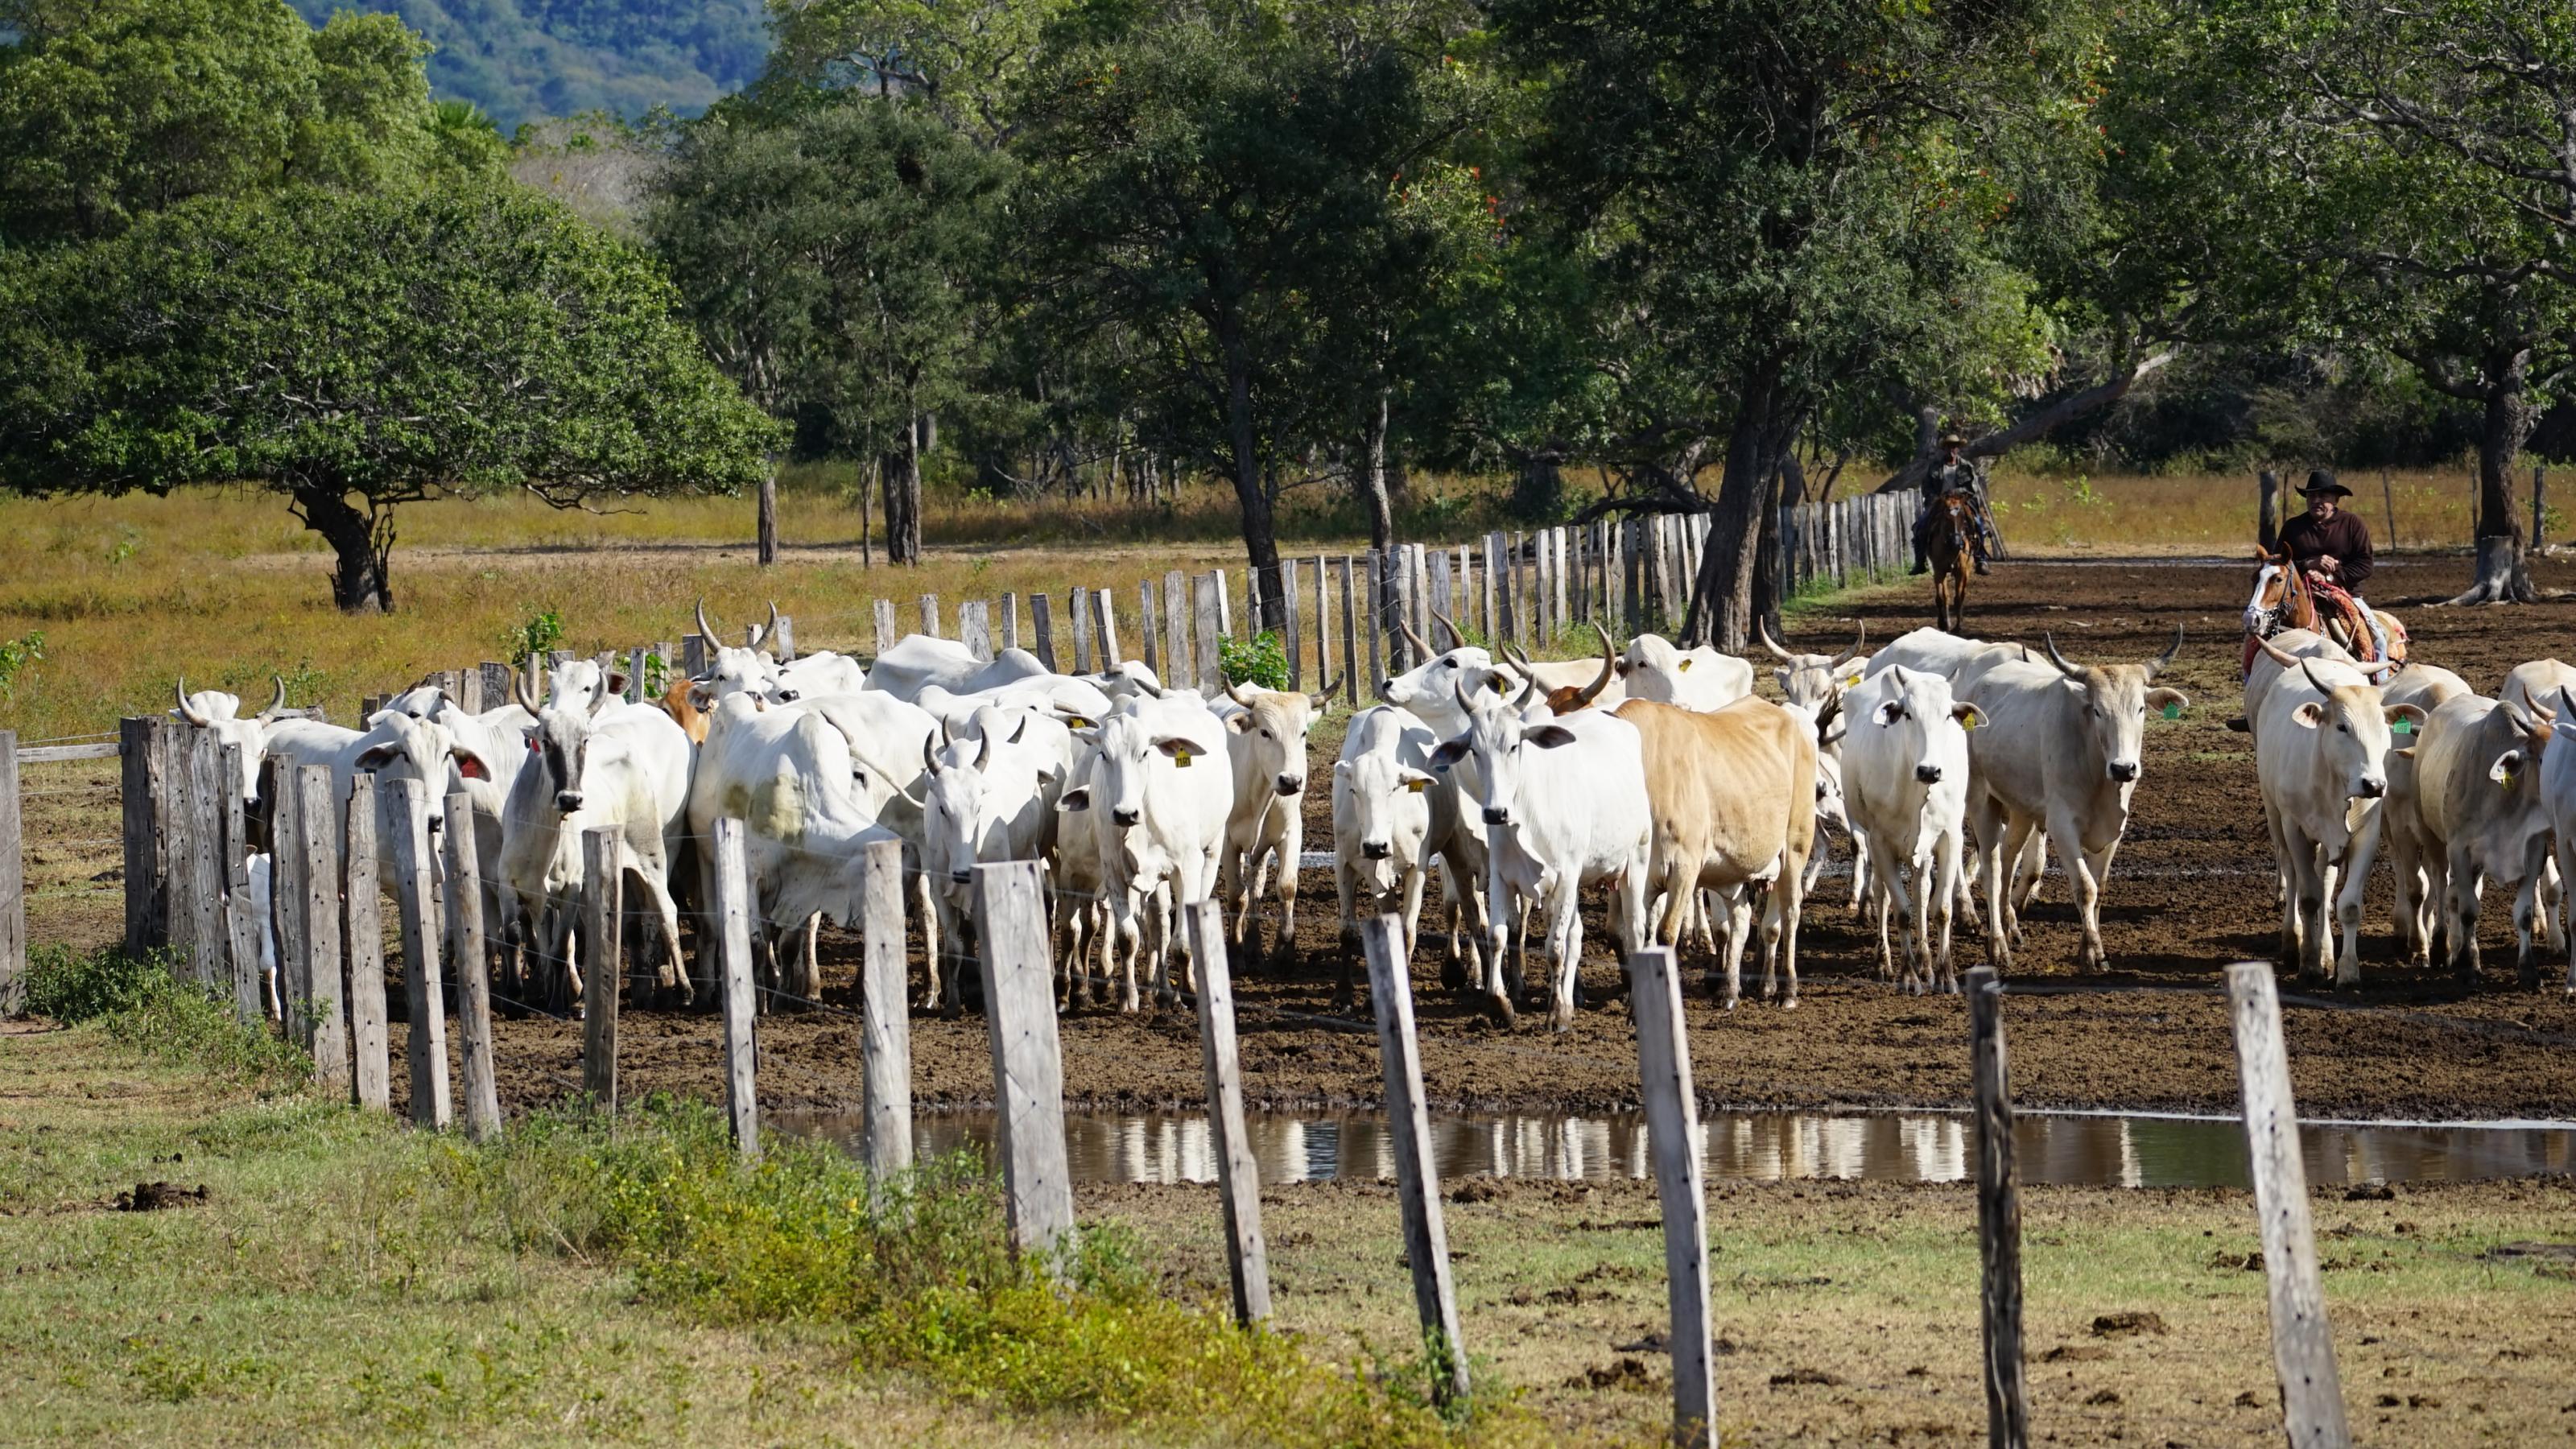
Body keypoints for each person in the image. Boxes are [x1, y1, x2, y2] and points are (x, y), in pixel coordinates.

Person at [2278, 469, 2386, 657]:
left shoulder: (2353, 523)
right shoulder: (2292, 527)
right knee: (2260, 637)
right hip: (2299, 594)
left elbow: (2365, 563)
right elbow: (2278, 563)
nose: (2316, 500)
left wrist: (2331, 577)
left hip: (2346, 594)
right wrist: (2308, 564)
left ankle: (2381, 685)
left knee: (2378, 642)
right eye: (2311, 495)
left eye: (2323, 495)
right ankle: (2252, 682)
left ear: (2336, 499)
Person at [1910, 433, 1995, 576]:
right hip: (1940, 503)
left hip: (1961, 503)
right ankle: (1920, 561)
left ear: (1958, 449)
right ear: (1944, 449)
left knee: (1979, 524)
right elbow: (1927, 487)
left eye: (1954, 447)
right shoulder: (1935, 467)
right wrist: (1935, 498)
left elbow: (1972, 488)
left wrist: (1958, 493)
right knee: (1920, 526)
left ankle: (1981, 559)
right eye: (1949, 447)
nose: (1951, 450)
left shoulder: (1966, 467)